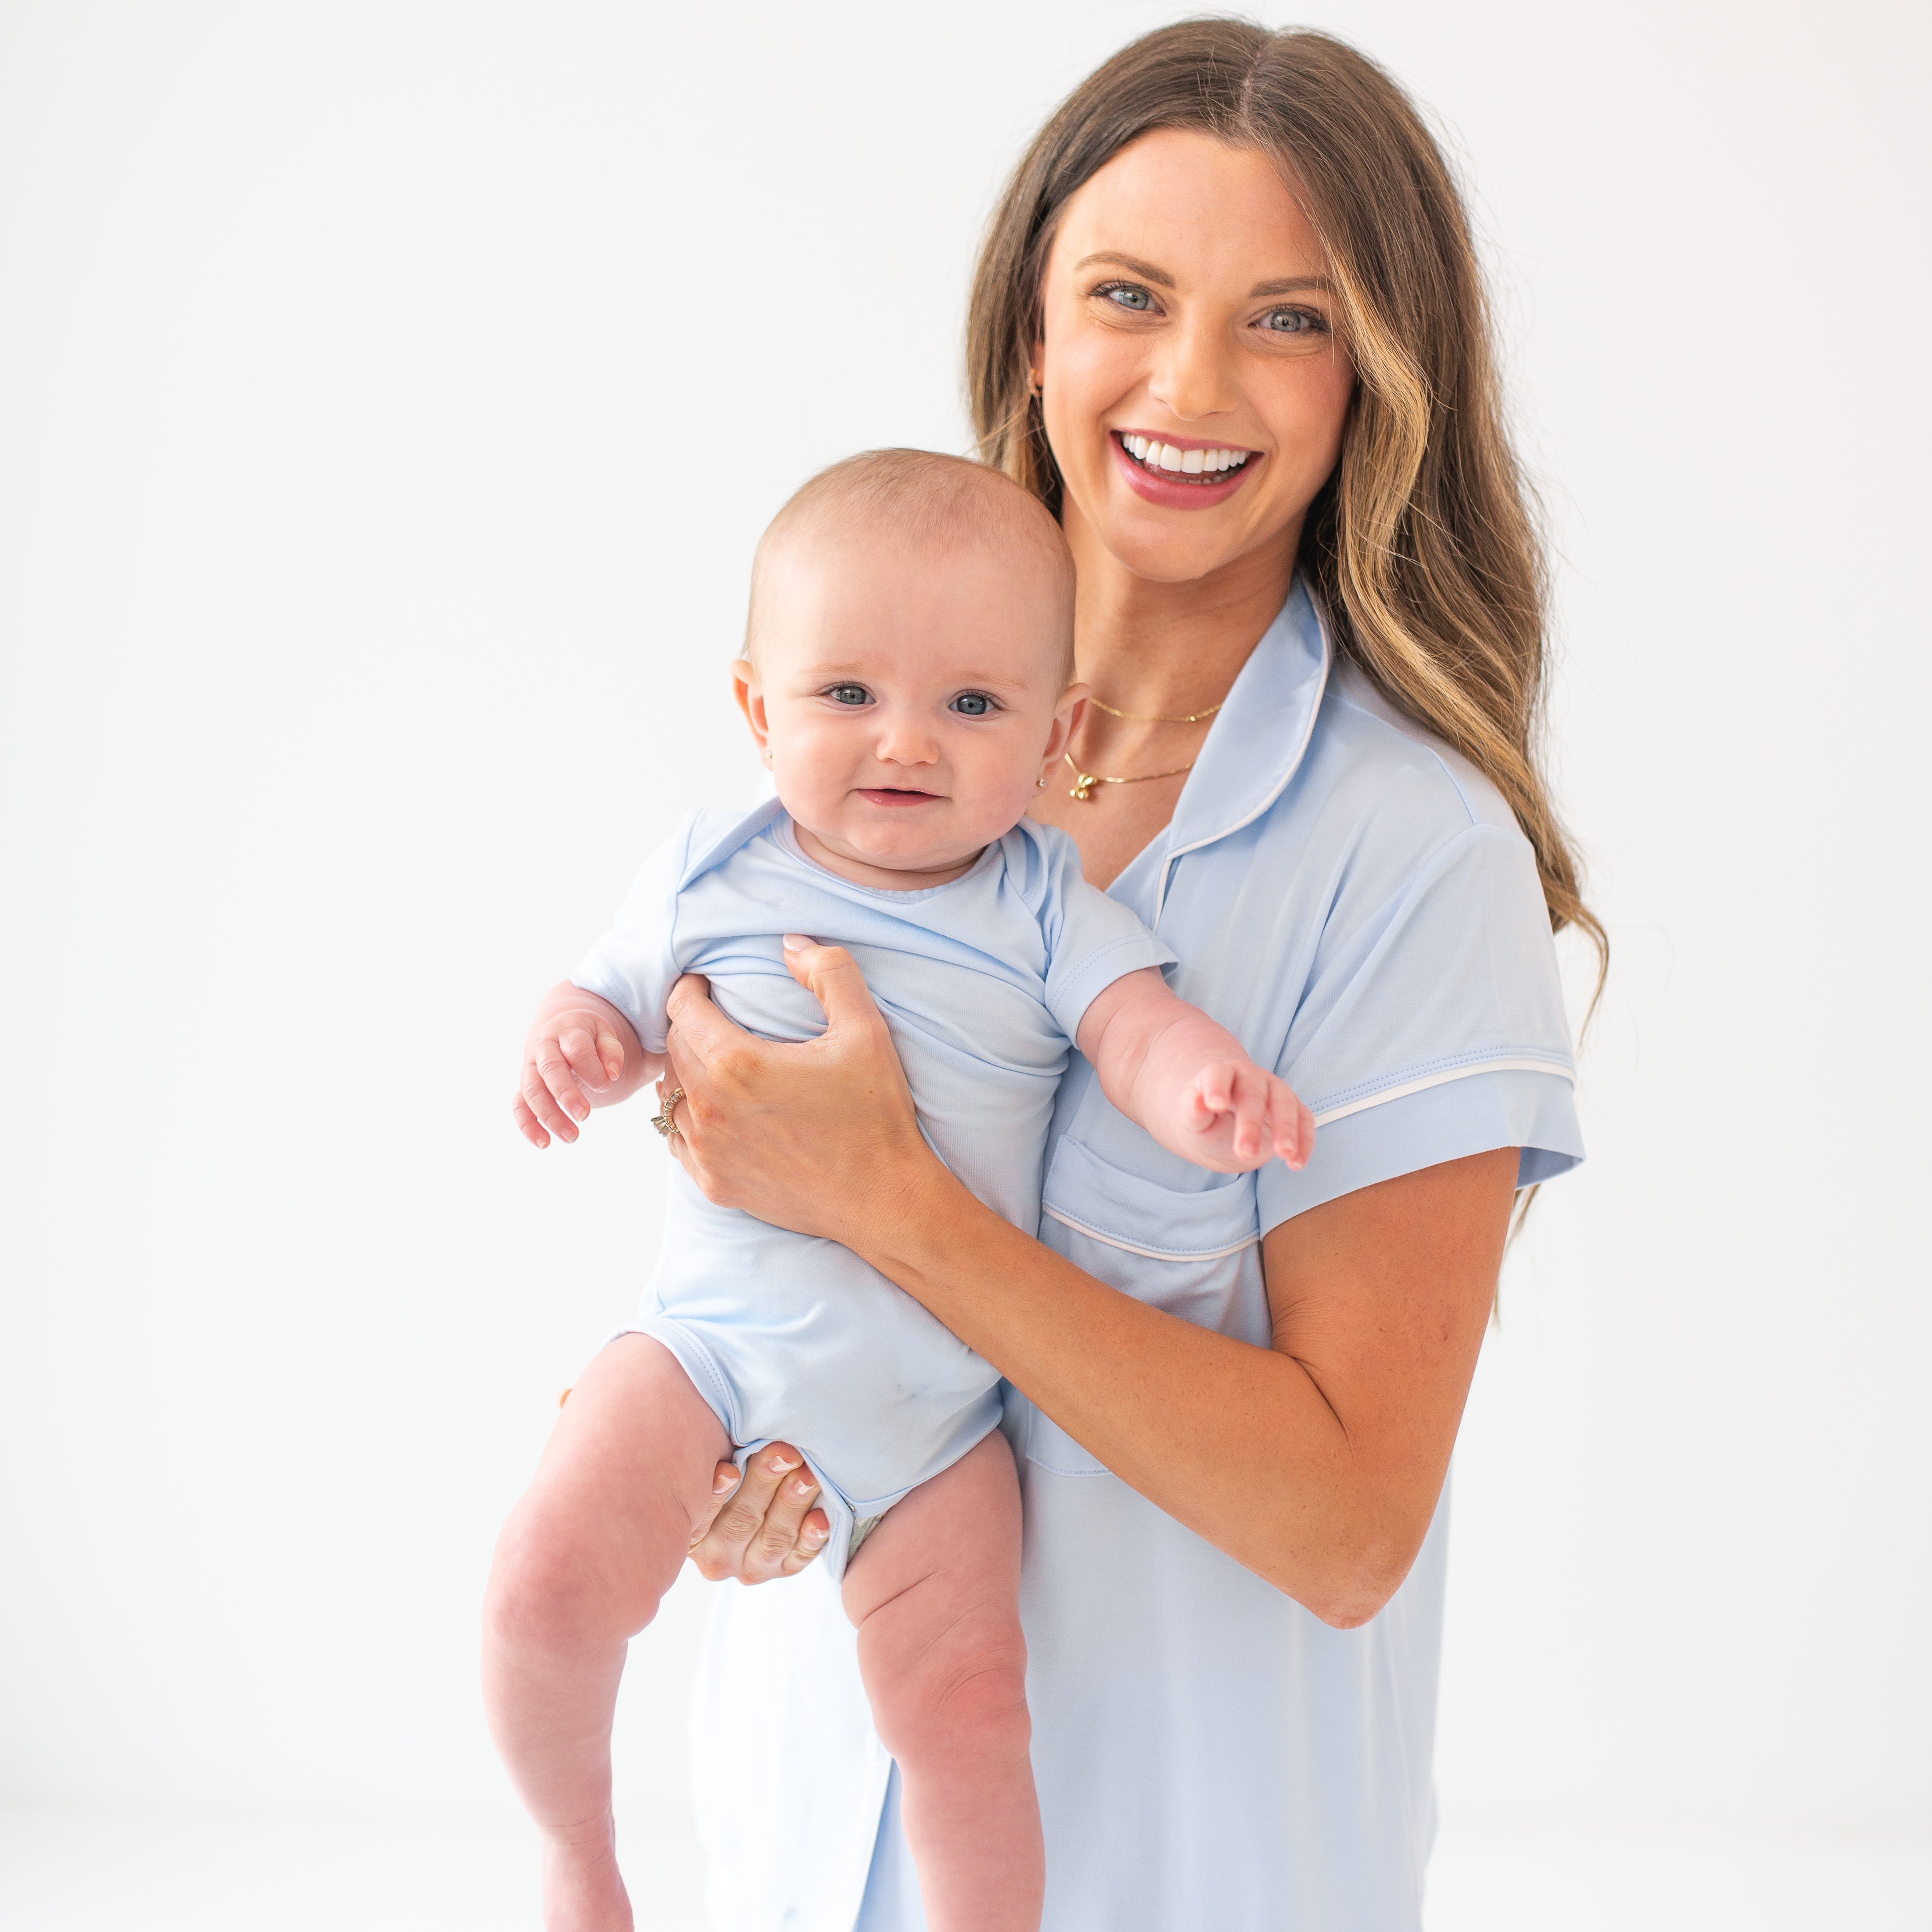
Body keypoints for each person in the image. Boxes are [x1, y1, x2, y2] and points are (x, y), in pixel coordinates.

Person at [652, 21, 1602, 1932]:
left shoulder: (1409, 858)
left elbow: (1344, 1526)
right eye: (1129, 296)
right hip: (802, 1858)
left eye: (1289, 319)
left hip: (1183, 1879)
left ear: (1374, 385)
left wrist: (902, 1208)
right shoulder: (850, 754)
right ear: (1032, 329)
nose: (1190, 382)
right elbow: (759, 1268)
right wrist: (719, 1453)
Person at [487, 449, 1313, 1932]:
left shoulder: (1044, 899)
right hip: (705, 1354)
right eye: (848, 695)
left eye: (973, 706)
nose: (906, 746)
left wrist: (1203, 1088)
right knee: (547, 1578)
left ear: (1059, 733)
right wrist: (577, 1042)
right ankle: (577, 1852)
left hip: (939, 1426)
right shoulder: (710, 868)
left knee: (971, 1720)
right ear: (757, 710)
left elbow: (1133, 1027)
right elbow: (609, 1006)